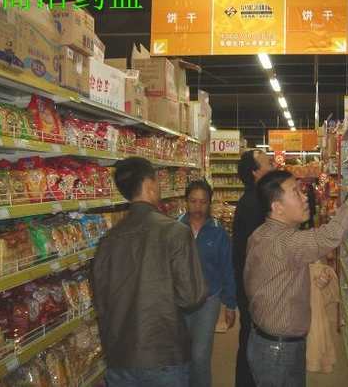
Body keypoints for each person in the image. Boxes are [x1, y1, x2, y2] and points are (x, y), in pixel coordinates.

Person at [244, 155, 348, 387]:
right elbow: (332, 234)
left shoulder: (261, 234)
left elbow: (275, 273)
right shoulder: (286, 241)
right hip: (279, 351)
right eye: (296, 192)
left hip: (264, 341)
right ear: (277, 207)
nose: (305, 197)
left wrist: (309, 273)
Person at [91, 157, 207, 387]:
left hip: (120, 355)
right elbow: (191, 296)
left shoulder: (108, 240)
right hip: (164, 352)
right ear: (149, 185)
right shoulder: (175, 232)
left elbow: (101, 301)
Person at [179, 180, 237, 387]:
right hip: (180, 300)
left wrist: (230, 304)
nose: (198, 206)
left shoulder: (218, 232)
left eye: (203, 202)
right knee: (182, 354)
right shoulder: (174, 229)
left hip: (209, 299)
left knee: (200, 355)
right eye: (193, 201)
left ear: (209, 203)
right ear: (186, 202)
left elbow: (227, 268)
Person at [232, 149, 273, 387]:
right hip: (253, 286)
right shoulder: (253, 203)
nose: (271, 164)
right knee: (251, 337)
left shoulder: (255, 199)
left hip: (251, 284)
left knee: (250, 335)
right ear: (256, 172)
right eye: (267, 162)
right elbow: (254, 252)